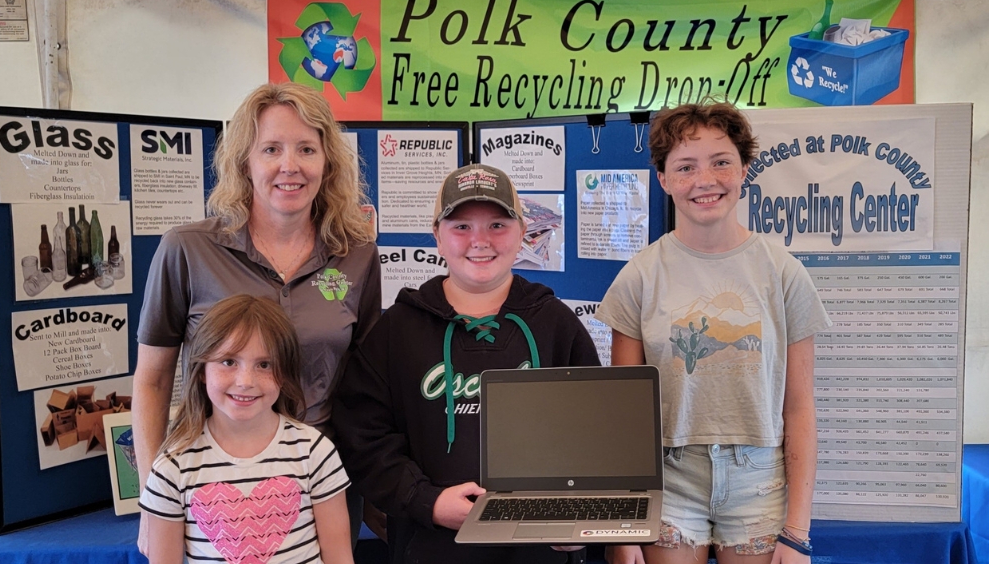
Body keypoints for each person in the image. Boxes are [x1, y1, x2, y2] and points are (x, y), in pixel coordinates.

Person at [133, 82, 380, 551]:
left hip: (323, 479)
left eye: (306, 148)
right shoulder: (187, 249)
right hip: (212, 483)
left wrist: (380, 485)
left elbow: (367, 385)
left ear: (327, 162)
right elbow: (152, 380)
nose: (290, 166)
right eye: (271, 149)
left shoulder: (357, 256)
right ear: (245, 161)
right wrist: (154, 499)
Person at [595, 101, 832, 564]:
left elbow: (800, 408)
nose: (705, 180)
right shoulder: (639, 277)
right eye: (685, 167)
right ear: (663, 180)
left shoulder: (783, 273)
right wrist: (622, 525)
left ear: (744, 169)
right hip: (667, 477)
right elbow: (624, 416)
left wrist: (797, 532)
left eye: (721, 162)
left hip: (759, 480)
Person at [332, 164, 601, 564]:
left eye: (497, 224)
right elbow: (363, 436)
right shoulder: (398, 330)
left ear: (522, 232)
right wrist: (427, 500)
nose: (480, 241)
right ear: (437, 235)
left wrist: (578, 521)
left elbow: (595, 432)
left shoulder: (556, 324)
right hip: (432, 545)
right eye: (460, 227)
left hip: (539, 548)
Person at [139, 294, 353, 564]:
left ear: (284, 374)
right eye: (228, 362)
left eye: (264, 365)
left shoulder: (315, 452)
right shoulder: (172, 467)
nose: (245, 381)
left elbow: (340, 558)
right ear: (202, 370)